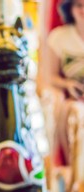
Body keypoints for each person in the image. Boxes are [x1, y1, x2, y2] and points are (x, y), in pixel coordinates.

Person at [45, 0, 84, 166]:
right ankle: (73, 170)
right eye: (79, 5)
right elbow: (50, 76)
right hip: (75, 98)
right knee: (70, 110)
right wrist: (68, 85)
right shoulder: (59, 37)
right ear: (70, 8)